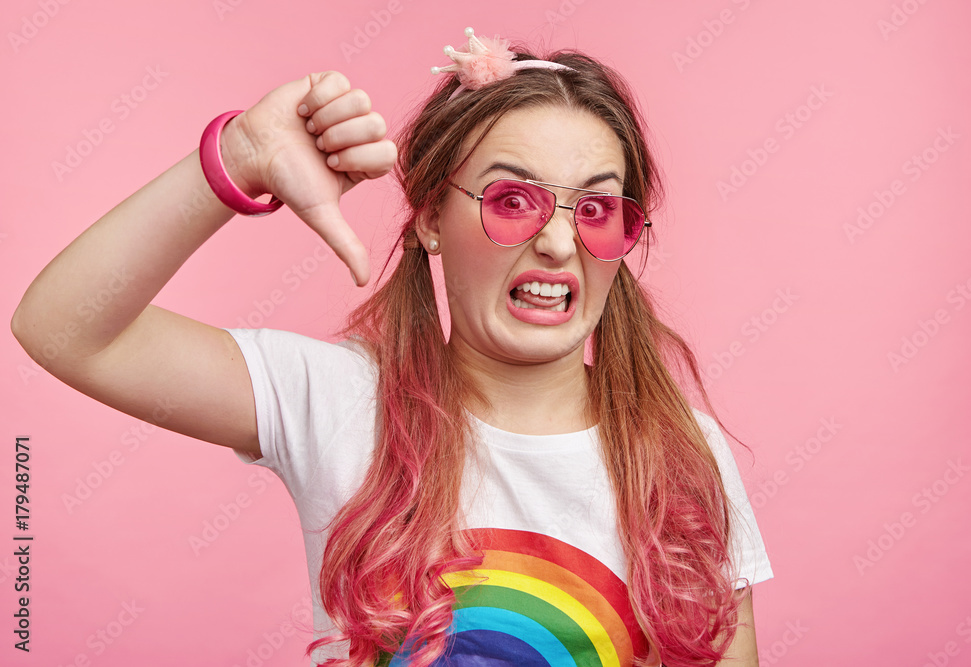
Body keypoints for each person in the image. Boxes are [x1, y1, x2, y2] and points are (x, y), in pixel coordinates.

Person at [12, 28, 772, 667]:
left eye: (599, 208)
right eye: (512, 199)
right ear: (430, 217)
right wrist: (238, 157)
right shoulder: (338, 403)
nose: (558, 241)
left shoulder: (684, 455)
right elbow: (66, 329)